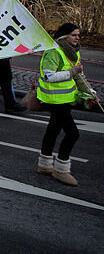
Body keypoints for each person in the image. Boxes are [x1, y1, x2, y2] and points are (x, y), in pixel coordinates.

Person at [36, 23, 98, 186]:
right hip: (54, 100)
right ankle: (61, 169)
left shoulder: (73, 53)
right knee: (73, 134)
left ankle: (44, 165)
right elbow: (49, 76)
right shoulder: (54, 52)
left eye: (78, 35)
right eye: (74, 35)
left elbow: (79, 77)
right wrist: (72, 72)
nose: (77, 38)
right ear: (64, 36)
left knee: (53, 129)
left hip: (65, 100)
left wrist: (90, 92)